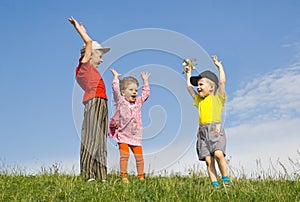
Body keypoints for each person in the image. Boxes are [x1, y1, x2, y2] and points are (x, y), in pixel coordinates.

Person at [68, 17, 110, 182]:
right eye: (99, 56)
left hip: (102, 103)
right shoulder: (84, 67)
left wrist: (84, 31)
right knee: (91, 137)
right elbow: (89, 43)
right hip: (94, 102)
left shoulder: (89, 67)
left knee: (100, 139)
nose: (101, 60)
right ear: (89, 55)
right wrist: (79, 30)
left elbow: (89, 43)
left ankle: (101, 176)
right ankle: (88, 175)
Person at [185, 55, 230, 188]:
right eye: (197, 85)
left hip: (215, 130)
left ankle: (225, 180)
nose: (198, 87)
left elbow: (222, 82)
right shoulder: (199, 100)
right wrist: (188, 74)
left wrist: (219, 66)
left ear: (211, 87)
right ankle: (214, 184)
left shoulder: (218, 99)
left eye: (201, 84)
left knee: (218, 154)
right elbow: (189, 88)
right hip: (203, 132)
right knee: (209, 160)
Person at [109, 69, 150, 183]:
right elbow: (115, 90)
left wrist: (145, 82)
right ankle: (124, 177)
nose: (134, 92)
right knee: (124, 156)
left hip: (136, 136)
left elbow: (146, 94)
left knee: (139, 158)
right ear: (123, 92)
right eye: (131, 90)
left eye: (136, 90)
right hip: (123, 135)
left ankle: (141, 177)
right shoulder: (121, 101)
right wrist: (116, 78)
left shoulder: (138, 102)